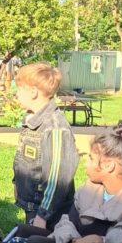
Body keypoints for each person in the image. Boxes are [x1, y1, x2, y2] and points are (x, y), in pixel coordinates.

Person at [12, 62, 79, 233]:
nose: (16, 93)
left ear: (33, 92)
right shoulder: (32, 121)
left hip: (49, 215)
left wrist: (43, 215)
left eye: (19, 89)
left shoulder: (55, 127)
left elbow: (58, 178)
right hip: (32, 207)